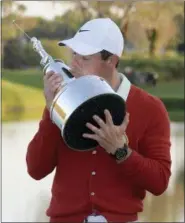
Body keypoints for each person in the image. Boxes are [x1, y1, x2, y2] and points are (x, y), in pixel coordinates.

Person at [26, 18, 171, 223]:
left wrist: (121, 151)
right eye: (73, 54)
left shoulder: (151, 108)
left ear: (110, 60)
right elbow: (35, 170)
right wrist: (51, 111)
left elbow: (160, 182)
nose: (74, 63)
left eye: (84, 58)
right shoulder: (61, 102)